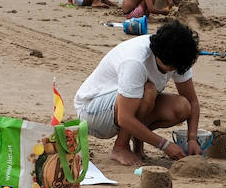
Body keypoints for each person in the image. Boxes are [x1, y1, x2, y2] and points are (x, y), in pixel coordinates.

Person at [74, 21, 202, 167]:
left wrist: (192, 138)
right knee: (149, 91)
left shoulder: (179, 56)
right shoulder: (136, 61)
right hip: (92, 111)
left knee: (182, 107)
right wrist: (164, 145)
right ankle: (120, 147)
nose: (174, 70)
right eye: (171, 67)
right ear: (159, 56)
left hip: (122, 107)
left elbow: (192, 101)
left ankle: (137, 139)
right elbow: (124, 118)